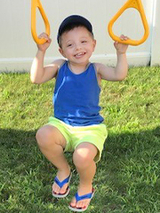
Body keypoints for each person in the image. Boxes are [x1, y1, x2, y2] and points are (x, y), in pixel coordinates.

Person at [30, 15, 129, 212]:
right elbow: (36, 77)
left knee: (82, 157)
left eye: (83, 42)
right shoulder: (59, 66)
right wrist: (41, 51)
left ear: (93, 44)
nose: (78, 48)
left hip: (90, 128)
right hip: (62, 125)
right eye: (70, 44)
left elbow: (119, 75)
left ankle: (86, 185)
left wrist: (121, 54)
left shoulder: (96, 69)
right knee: (43, 134)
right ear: (62, 50)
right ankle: (63, 169)